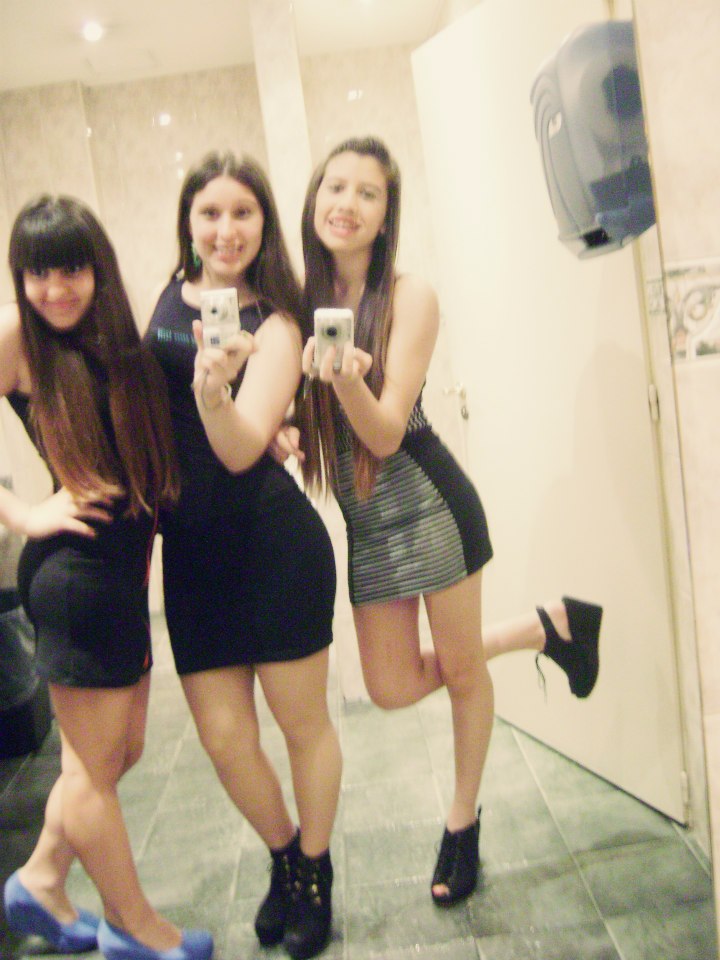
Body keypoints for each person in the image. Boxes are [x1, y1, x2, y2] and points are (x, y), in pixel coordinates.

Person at [298, 136, 603, 907]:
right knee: (391, 687)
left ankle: (462, 824)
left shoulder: (411, 297)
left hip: (430, 505)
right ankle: (544, 627)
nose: (347, 203)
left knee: (463, 675)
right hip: (369, 527)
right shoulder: (295, 302)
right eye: (335, 186)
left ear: (386, 214)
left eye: (368, 192)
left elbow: (385, 433)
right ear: (314, 199)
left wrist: (347, 381)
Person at [0, 196, 213, 960]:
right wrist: (25, 514)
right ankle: (133, 927)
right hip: (74, 580)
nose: (54, 289)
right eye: (37, 273)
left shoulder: (122, 343)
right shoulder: (17, 340)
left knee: (119, 755)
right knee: (91, 771)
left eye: (70, 269)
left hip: (121, 578)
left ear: (97, 269)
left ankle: (41, 881)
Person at [145, 151, 341, 960]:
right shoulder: (166, 297)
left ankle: (316, 876)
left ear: (265, 225)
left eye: (243, 213)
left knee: (301, 726)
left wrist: (213, 391)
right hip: (192, 556)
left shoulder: (280, 325)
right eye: (210, 212)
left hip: (273, 548)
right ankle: (284, 854)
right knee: (226, 739)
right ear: (188, 221)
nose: (226, 229)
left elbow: (237, 450)